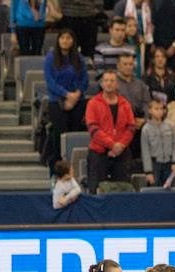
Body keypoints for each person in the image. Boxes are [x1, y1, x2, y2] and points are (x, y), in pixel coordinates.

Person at [84, 69, 135, 194]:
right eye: (106, 80)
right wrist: (112, 145)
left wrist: (120, 146)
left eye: (112, 81)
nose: (109, 83)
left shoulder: (125, 104)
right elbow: (93, 129)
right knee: (96, 189)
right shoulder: (93, 103)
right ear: (101, 84)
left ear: (117, 84)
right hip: (98, 152)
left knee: (123, 189)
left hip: (121, 152)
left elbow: (131, 128)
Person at [44, 30, 89, 168]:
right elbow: (50, 81)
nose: (65, 40)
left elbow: (85, 79)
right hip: (56, 100)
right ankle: (58, 166)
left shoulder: (78, 58)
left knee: (74, 132)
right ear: (58, 40)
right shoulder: (51, 58)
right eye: (62, 37)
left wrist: (76, 95)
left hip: (77, 100)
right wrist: (66, 94)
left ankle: (73, 164)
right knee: (59, 135)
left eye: (68, 37)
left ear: (73, 40)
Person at [141, 99, 175, 188]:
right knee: (154, 191)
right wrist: (148, 172)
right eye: (156, 109)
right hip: (155, 165)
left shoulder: (170, 126)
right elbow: (145, 152)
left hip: (169, 164)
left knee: (170, 191)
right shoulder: (146, 129)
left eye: (161, 109)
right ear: (150, 110)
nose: (159, 111)